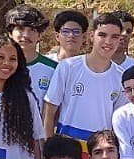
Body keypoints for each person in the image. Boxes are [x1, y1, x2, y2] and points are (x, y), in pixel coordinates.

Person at [43, 13, 125, 148]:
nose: (108, 42)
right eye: (102, 35)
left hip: (99, 150)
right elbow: (49, 110)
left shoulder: (121, 77)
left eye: (114, 37)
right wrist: (47, 146)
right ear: (92, 36)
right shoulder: (68, 67)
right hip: (67, 148)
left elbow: (119, 122)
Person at [5, 5, 55, 105]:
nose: (26, 35)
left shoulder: (54, 69)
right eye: (20, 29)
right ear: (10, 33)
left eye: (32, 30)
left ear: (40, 35)